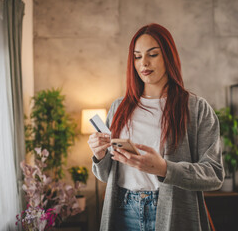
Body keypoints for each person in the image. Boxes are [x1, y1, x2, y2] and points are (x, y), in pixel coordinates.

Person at [88, 23, 224, 231]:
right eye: (137, 56)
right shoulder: (119, 108)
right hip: (123, 211)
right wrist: (99, 155)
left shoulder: (196, 108)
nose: (144, 63)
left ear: (168, 56)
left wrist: (164, 168)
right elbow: (107, 175)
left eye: (153, 54)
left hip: (172, 211)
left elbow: (214, 174)